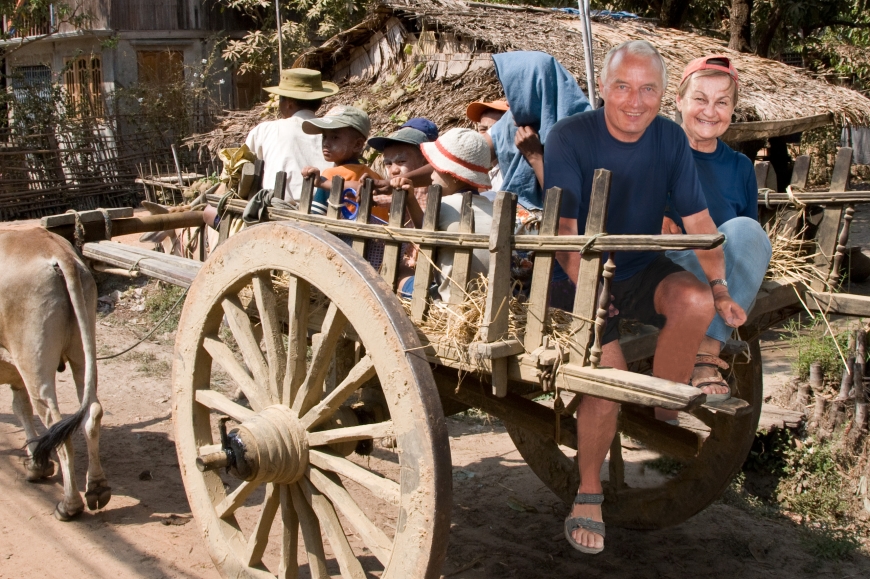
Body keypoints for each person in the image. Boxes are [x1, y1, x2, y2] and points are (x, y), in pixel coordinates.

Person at [544, 40, 747, 555]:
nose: (635, 101)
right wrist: (589, 296)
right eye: (623, 87)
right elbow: (566, 233)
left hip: (638, 267)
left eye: (648, 89)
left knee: (695, 302)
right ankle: (588, 490)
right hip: (578, 272)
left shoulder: (670, 139)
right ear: (603, 89)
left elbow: (700, 223)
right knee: (605, 377)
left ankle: (662, 404)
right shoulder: (569, 137)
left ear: (663, 94)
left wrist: (721, 290)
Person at [661, 55, 771, 406]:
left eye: (722, 102)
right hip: (673, 270)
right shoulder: (656, 152)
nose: (710, 111)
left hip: (720, 273)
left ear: (733, 109)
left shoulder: (740, 167)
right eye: (700, 99)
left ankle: (705, 349)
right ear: (679, 101)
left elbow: (745, 241)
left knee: (747, 229)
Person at [393, 128, 493, 302]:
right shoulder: (493, 208)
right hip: (488, 302)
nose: (431, 175)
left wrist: (409, 199)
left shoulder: (444, 206)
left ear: (454, 176)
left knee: (401, 276)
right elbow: (429, 228)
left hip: (449, 304)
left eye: (436, 168)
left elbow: (425, 236)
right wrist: (411, 200)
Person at [244, 68, 337, 200]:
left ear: (288, 103)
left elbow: (243, 167)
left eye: (280, 99)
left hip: (278, 208)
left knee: (208, 212)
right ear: (319, 103)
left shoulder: (265, 130)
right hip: (324, 209)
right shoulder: (334, 134)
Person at [299, 105, 383, 217]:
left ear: (357, 145)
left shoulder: (329, 177)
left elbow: (315, 218)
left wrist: (322, 183)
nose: (326, 143)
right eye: (324, 136)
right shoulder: (376, 177)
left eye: (334, 138)